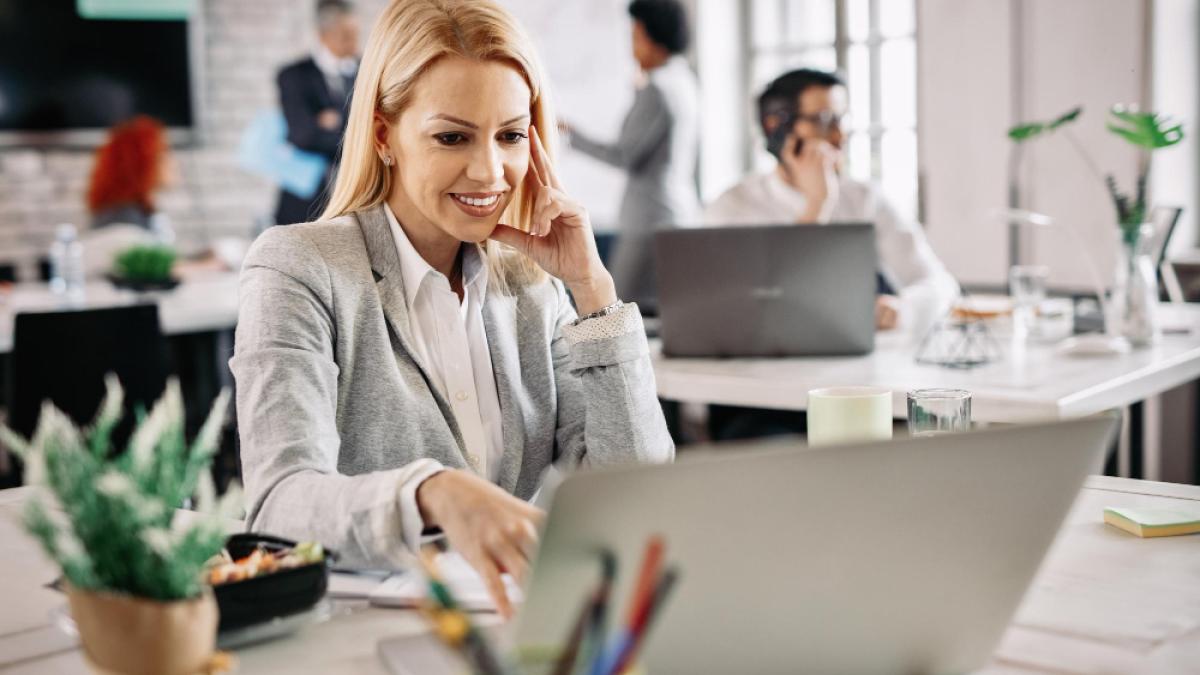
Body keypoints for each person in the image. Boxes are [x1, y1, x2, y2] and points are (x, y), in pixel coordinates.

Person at [231, 0, 674, 617]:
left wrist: (593, 289)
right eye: (452, 137)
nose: (490, 171)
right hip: (359, 640)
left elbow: (635, 488)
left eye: (511, 135)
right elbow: (279, 503)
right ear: (384, 135)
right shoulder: (299, 267)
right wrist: (432, 494)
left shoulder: (531, 287)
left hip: (514, 630)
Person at [704, 68, 959, 330]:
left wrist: (903, 308)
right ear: (775, 127)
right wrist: (817, 204)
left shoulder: (864, 198)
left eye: (841, 120)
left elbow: (939, 284)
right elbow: (759, 305)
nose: (840, 136)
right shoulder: (733, 207)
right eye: (823, 120)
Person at [560, 0, 699, 311]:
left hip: (648, 219)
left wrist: (572, 135)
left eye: (636, 37)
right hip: (675, 211)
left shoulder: (658, 89)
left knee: (613, 307)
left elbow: (624, 155)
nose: (632, 49)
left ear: (654, 37)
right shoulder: (683, 81)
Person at [273, 0, 361, 225]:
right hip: (305, 202)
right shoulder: (294, 76)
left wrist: (332, 123)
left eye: (355, 34)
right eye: (345, 35)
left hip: (356, 200)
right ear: (324, 35)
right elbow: (303, 135)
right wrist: (358, 140)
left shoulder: (367, 71)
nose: (354, 42)